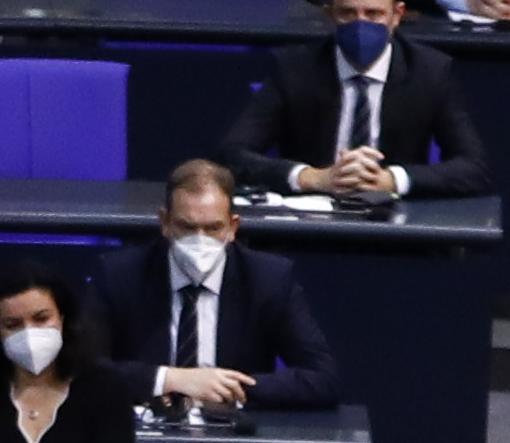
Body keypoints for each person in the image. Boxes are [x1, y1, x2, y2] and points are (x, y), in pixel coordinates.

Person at [92, 154, 349, 415]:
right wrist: (171, 379)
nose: (200, 241)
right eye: (187, 227)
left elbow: (322, 379)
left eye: (213, 228)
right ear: (165, 223)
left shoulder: (269, 278)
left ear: (232, 227)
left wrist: (224, 388)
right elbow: (84, 370)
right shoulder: (120, 275)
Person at [244, 0, 484, 203]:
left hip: (398, 229)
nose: (361, 24)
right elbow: (234, 155)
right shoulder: (294, 68)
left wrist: (390, 180)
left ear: (396, 15)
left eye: (374, 14)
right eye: (348, 13)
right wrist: (312, 177)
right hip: (313, 224)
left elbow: (473, 168)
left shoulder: (430, 71)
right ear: (329, 14)